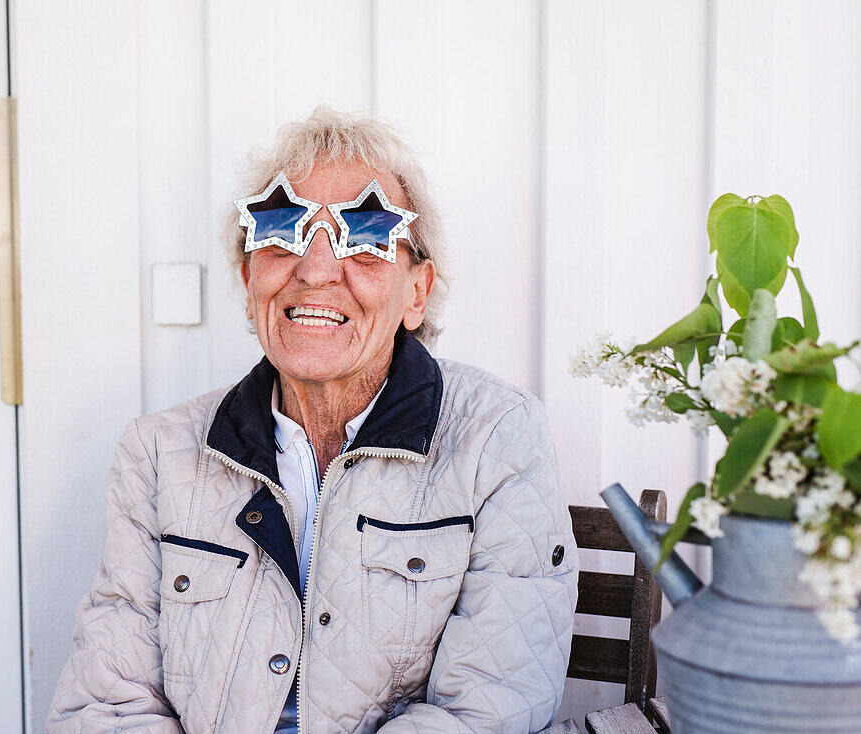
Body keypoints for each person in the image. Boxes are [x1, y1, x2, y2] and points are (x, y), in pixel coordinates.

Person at [46, 106, 579, 734]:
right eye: (280, 230)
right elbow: (107, 705)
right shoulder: (158, 454)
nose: (316, 268)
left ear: (417, 291)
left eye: (368, 232)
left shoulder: (496, 440)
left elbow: (488, 707)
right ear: (249, 281)